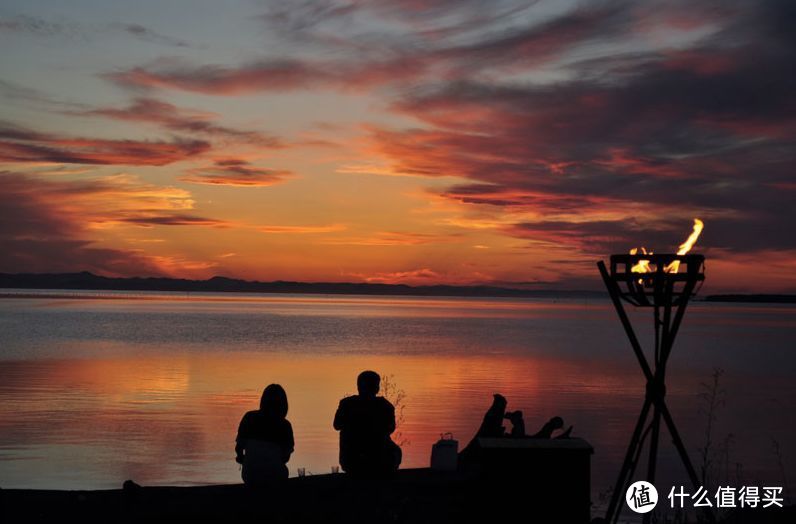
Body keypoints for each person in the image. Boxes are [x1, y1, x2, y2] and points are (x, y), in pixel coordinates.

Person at [333, 370, 402, 477]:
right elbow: (390, 429)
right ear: (377, 388)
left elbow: (336, 425)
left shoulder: (346, 404)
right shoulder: (385, 406)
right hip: (380, 462)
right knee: (395, 450)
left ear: (358, 387)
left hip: (350, 462)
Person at [235, 384, 294, 485]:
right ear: (283, 404)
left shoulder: (249, 418)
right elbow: (285, 458)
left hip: (250, 476)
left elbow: (238, 449)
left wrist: (243, 459)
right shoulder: (285, 425)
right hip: (276, 477)